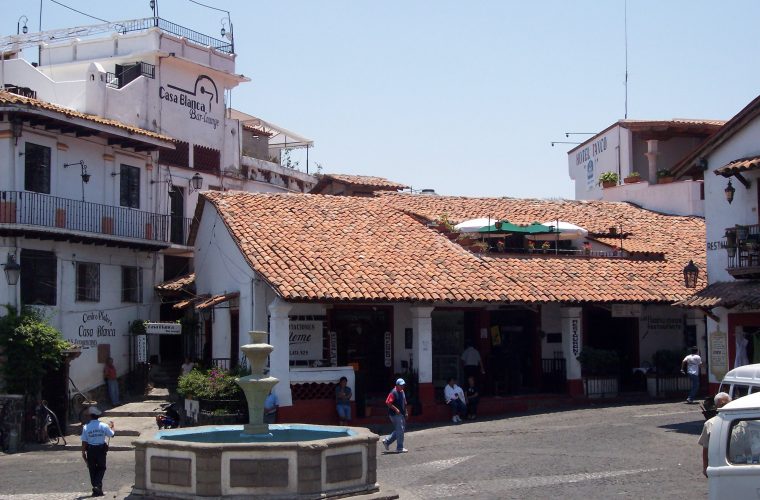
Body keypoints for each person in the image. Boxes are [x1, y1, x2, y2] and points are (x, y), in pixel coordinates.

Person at [81, 406, 115, 497]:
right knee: (101, 468)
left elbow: (84, 441)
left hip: (91, 450)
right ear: (98, 416)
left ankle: (96, 490)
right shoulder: (104, 426)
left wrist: (83, 452)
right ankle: (97, 486)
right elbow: (111, 435)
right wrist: (112, 427)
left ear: (90, 416)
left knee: (92, 469)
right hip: (100, 449)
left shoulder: (86, 427)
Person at [698, 392, 731, 477]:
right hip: (717, 465)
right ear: (716, 407)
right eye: (722, 405)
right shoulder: (710, 424)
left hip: (735, 464)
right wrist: (705, 467)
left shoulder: (740, 422)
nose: (725, 407)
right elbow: (706, 448)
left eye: (727, 404)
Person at [382, 378, 408, 453]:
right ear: (397, 385)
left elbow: (405, 402)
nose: (402, 386)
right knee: (400, 430)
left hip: (401, 414)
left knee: (400, 430)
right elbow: (388, 402)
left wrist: (406, 412)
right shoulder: (393, 392)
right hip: (394, 414)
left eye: (403, 385)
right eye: (401, 385)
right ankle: (399, 448)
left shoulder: (402, 392)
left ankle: (387, 441)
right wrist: (396, 409)